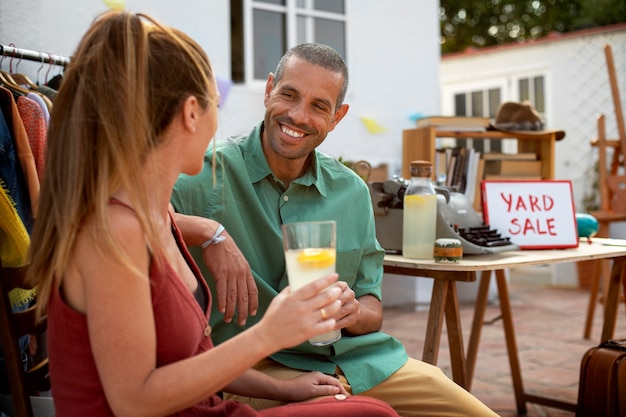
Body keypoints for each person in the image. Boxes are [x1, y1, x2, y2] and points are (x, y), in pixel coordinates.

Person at [25, 11, 400, 417]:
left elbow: (187, 358)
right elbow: (132, 401)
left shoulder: (156, 219)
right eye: (214, 103)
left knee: (369, 410)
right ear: (191, 113)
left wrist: (283, 389)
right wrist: (269, 335)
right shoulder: (119, 231)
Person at [170, 43, 500, 417]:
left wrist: (351, 311)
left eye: (318, 106)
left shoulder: (351, 191)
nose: (297, 116)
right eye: (289, 95)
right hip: (258, 369)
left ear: (338, 116)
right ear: (268, 90)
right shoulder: (204, 172)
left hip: (363, 364)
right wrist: (209, 231)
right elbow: (117, 216)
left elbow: (372, 308)